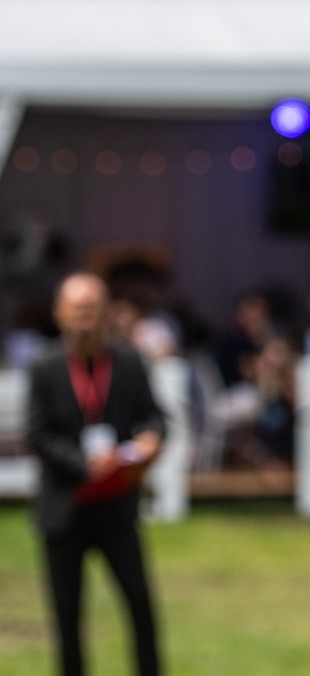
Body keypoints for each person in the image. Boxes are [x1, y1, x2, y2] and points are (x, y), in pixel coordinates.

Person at [25, 272, 164, 676]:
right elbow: (37, 434)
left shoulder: (128, 361)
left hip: (116, 506)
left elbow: (152, 417)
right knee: (67, 616)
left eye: (93, 307)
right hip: (64, 508)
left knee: (140, 604)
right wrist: (84, 463)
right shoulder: (45, 367)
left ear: (107, 312)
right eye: (77, 307)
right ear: (59, 313)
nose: (85, 315)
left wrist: (151, 439)